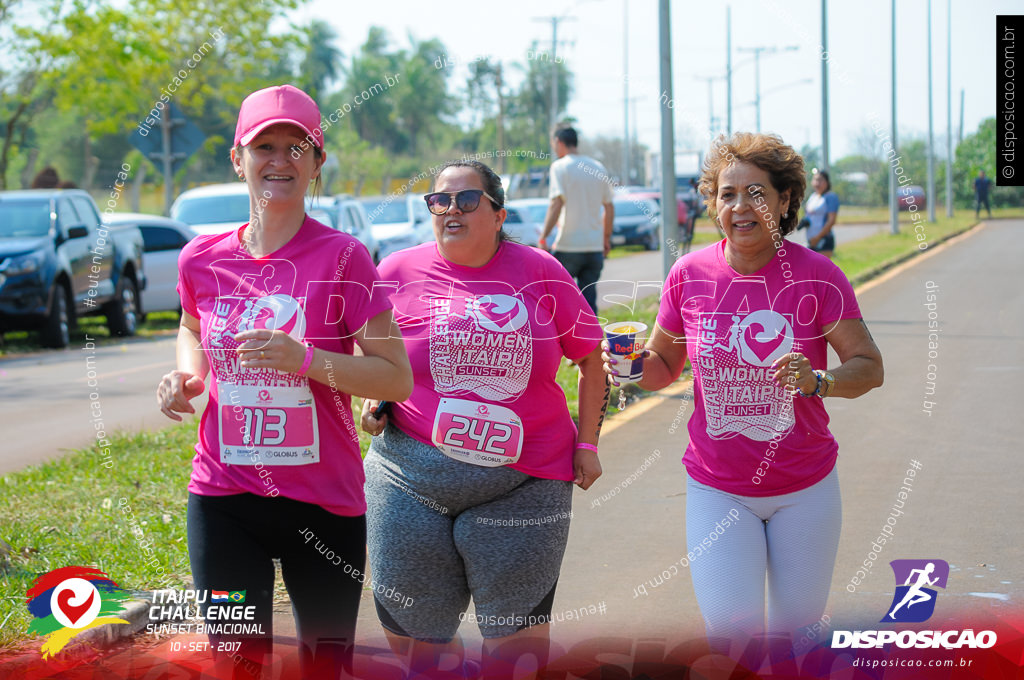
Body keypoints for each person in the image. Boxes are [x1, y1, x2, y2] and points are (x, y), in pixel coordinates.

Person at [156, 84, 412, 679]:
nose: (279, 160)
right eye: (263, 146)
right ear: (237, 158)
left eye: (297, 147)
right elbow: (192, 328)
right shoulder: (202, 258)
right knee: (235, 664)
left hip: (323, 501)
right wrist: (186, 377)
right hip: (224, 499)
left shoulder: (345, 259)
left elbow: (395, 378)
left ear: (318, 161)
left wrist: (306, 361)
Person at [605, 132, 883, 651]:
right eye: (727, 194)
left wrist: (818, 380)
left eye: (756, 193)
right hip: (718, 489)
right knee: (732, 638)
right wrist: (626, 368)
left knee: (797, 640)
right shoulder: (689, 275)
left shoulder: (818, 278)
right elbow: (665, 363)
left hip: (805, 489)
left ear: (783, 201)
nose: (740, 207)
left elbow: (869, 367)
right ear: (713, 203)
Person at [361, 159, 609, 679]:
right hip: (408, 480)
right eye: (440, 201)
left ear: (498, 215)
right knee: (415, 645)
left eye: (467, 200)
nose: (452, 209)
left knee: (515, 656)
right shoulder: (395, 272)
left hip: (522, 485)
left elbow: (591, 358)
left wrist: (587, 443)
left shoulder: (541, 270)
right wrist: (374, 396)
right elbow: (369, 358)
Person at [539, 126, 615, 314]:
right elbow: (609, 206)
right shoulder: (598, 167)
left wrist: (544, 236)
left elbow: (556, 203)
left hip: (568, 247)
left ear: (558, 142)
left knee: (556, 300)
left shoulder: (560, 166)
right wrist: (606, 238)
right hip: (594, 248)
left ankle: (561, 342)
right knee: (589, 303)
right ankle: (592, 342)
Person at [804, 169, 839, 258]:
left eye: (820, 180)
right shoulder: (813, 197)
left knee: (822, 271)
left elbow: (831, 220)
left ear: (827, 182)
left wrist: (817, 238)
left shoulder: (830, 197)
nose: (817, 183)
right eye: (815, 180)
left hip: (823, 240)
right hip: (811, 241)